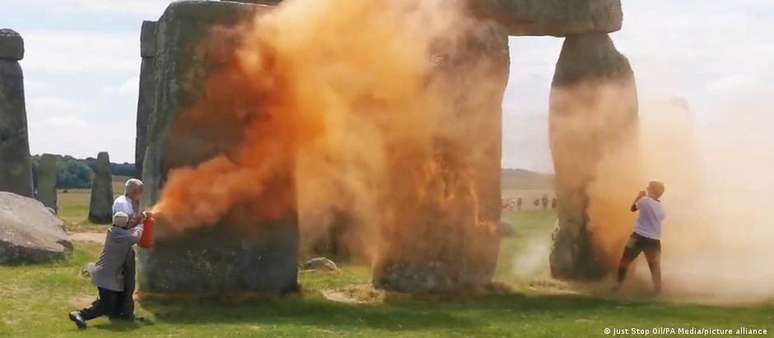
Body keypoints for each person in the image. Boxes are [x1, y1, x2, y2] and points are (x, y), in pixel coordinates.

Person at [68, 212, 144, 329]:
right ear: (126, 224)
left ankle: (120, 314)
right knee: (106, 305)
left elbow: (128, 232)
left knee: (114, 300)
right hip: (107, 277)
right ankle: (80, 314)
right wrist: (142, 223)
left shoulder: (113, 232)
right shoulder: (124, 236)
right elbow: (136, 236)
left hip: (105, 275)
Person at [614, 181, 666, 294]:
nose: (647, 188)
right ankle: (658, 292)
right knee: (654, 267)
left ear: (652, 190)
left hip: (638, 237)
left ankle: (617, 286)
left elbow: (632, 208)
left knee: (625, 260)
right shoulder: (662, 207)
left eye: (649, 187)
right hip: (654, 240)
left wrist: (638, 196)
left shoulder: (644, 200)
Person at [111, 178, 146, 320]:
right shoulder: (122, 204)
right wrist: (139, 220)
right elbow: (123, 226)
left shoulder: (129, 203)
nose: (141, 195)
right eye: (140, 191)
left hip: (125, 245)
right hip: (122, 247)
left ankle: (121, 310)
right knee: (127, 281)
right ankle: (125, 312)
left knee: (125, 280)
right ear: (134, 191)